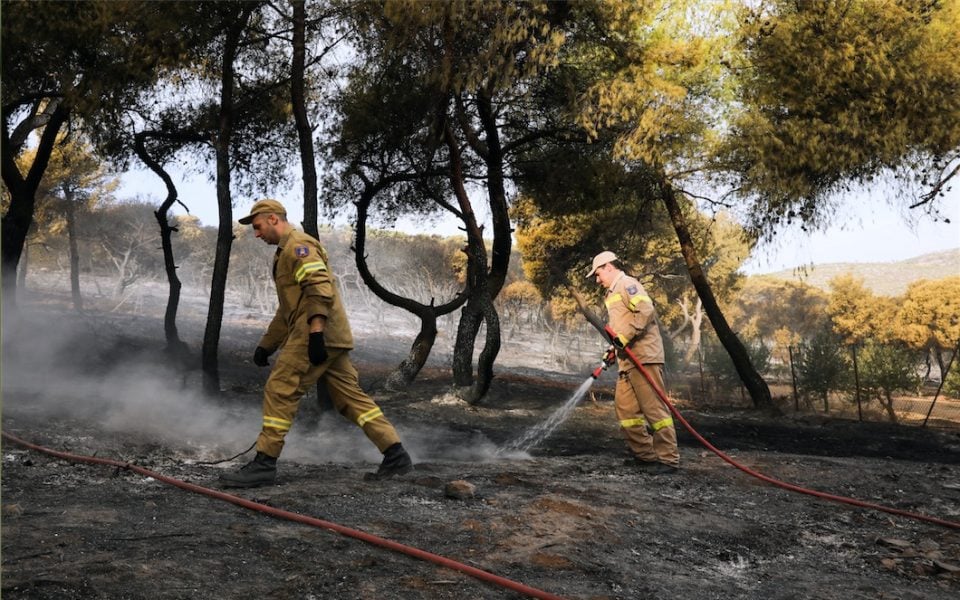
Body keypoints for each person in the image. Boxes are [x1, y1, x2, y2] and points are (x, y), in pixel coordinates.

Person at [220, 199, 413, 488]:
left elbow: (319, 288)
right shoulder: (285, 251)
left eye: (258, 226)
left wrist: (315, 334)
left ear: (273, 219)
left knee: (280, 389)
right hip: (330, 335)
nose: (256, 234)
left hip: (314, 332)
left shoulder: (299, 245)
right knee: (350, 399)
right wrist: (267, 345)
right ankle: (395, 454)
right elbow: (288, 309)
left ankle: (264, 463)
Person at [587, 250, 679, 474]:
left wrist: (624, 338)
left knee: (655, 411)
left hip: (644, 357)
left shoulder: (628, 284)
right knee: (626, 411)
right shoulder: (612, 292)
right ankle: (645, 456)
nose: (597, 280)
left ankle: (668, 459)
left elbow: (646, 311)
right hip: (628, 360)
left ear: (609, 267)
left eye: (598, 274)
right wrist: (614, 348)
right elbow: (621, 329)